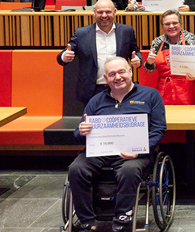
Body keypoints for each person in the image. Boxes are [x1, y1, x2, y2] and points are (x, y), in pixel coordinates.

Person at [67, 56, 165, 232]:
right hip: (99, 153)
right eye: (111, 74)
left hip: (133, 154)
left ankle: (122, 218)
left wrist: (139, 150)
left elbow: (158, 129)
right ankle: (87, 221)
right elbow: (78, 136)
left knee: (129, 170)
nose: (117, 77)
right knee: (76, 169)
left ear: (130, 71)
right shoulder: (96, 101)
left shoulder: (151, 95)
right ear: (106, 79)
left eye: (121, 72)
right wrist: (81, 131)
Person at [56, 0, 142, 104]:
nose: (104, 15)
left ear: (115, 12)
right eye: (100, 12)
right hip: (92, 91)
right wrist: (65, 56)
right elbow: (62, 57)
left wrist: (138, 59)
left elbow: (135, 52)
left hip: (120, 88)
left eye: (108, 12)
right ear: (94, 12)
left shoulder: (126, 31)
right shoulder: (81, 33)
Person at [145, 9, 195, 104]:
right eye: (167, 24)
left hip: (188, 89)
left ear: (181, 23)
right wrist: (149, 63)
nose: (171, 26)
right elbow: (149, 69)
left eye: (175, 23)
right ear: (162, 26)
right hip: (165, 89)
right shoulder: (157, 42)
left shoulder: (192, 40)